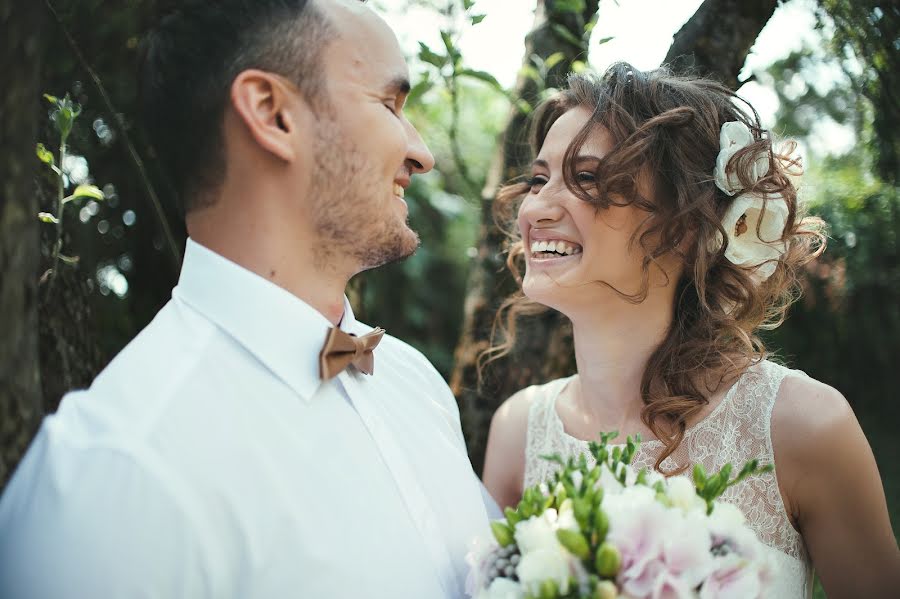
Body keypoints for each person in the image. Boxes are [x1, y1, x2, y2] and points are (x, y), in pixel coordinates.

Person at [0, 1, 490, 597]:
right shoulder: (116, 471)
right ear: (271, 113)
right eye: (389, 104)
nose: (422, 152)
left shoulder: (415, 383)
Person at [482, 63, 900, 597]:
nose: (536, 208)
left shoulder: (805, 428)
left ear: (687, 224)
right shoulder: (518, 431)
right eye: (539, 180)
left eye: (587, 179)